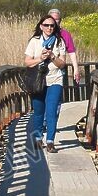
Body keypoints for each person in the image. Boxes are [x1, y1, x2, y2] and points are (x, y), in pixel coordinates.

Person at [24, 14, 67, 153]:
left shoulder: (59, 42)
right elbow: (27, 62)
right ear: (41, 26)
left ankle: (50, 142)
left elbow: (62, 64)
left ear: (55, 27)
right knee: (38, 112)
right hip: (38, 81)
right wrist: (40, 58)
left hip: (55, 80)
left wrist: (52, 56)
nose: (49, 28)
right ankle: (37, 139)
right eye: (46, 25)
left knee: (51, 111)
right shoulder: (34, 41)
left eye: (52, 25)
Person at [48, 9, 80, 87]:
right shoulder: (43, 33)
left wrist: (76, 69)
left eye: (57, 19)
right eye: (53, 19)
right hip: (43, 72)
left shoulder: (65, 34)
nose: (55, 21)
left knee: (55, 97)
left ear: (60, 20)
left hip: (58, 71)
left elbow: (72, 52)